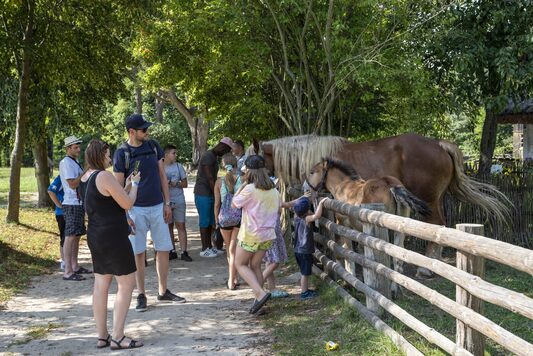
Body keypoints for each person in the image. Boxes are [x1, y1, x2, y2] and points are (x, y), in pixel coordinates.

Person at [113, 114, 185, 313]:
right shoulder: (122, 153)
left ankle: (163, 291)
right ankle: (141, 294)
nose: (147, 132)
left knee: (163, 248)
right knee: (138, 252)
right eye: (143, 130)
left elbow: (162, 175)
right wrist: (125, 213)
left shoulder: (153, 146)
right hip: (135, 208)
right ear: (131, 132)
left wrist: (167, 202)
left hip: (157, 205)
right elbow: (119, 187)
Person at [79, 139, 143, 350]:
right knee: (127, 284)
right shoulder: (104, 175)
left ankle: (102, 335)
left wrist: (126, 186)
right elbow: (127, 202)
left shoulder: (85, 177)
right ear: (99, 155)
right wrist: (135, 185)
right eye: (107, 154)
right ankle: (118, 336)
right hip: (113, 236)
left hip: (95, 235)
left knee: (101, 285)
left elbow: (108, 198)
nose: (110, 157)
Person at [232, 155, 280, 314]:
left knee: (240, 264)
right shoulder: (273, 190)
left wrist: (243, 184)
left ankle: (260, 293)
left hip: (251, 235)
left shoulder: (250, 188)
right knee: (255, 265)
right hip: (268, 235)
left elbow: (234, 203)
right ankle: (259, 303)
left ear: (249, 171)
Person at [194, 137, 236, 258]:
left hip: (210, 193)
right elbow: (210, 178)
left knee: (211, 221)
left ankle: (211, 247)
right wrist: (217, 191)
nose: (225, 153)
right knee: (205, 221)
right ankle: (204, 248)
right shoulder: (208, 156)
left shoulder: (213, 157)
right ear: (222, 146)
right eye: (226, 150)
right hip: (203, 193)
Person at [59, 135, 91, 281]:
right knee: (70, 236)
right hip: (71, 203)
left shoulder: (74, 161)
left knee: (76, 236)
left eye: (79, 146)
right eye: (75, 147)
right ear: (68, 148)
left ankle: (75, 266)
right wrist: (85, 171)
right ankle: (67, 271)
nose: (78, 149)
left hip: (78, 203)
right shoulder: (66, 162)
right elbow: (72, 184)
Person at [214, 153, 242, 290]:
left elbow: (217, 204)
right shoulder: (242, 180)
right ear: (236, 164)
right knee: (234, 248)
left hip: (224, 218)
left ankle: (232, 279)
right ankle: (234, 278)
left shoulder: (219, 182)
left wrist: (216, 221)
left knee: (229, 249)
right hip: (238, 217)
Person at [292, 196, 328, 300]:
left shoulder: (296, 217)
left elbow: (297, 208)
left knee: (304, 271)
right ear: (307, 210)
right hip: (304, 251)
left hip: (298, 250)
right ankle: (304, 293)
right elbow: (317, 215)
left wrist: (303, 198)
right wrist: (320, 203)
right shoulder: (306, 219)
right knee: (305, 273)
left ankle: (305, 289)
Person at [163, 144, 192, 262]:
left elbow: (185, 184)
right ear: (166, 154)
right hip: (166, 201)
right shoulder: (160, 167)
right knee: (168, 226)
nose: (176, 155)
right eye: (173, 153)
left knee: (181, 225)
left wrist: (176, 184)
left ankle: (184, 251)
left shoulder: (179, 166)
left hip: (179, 199)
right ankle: (172, 251)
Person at [47, 175, 65, 271]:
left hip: (72, 211)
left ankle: (71, 262)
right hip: (62, 214)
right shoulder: (60, 178)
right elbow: (50, 191)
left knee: (73, 237)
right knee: (65, 238)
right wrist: (60, 206)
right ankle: (64, 262)